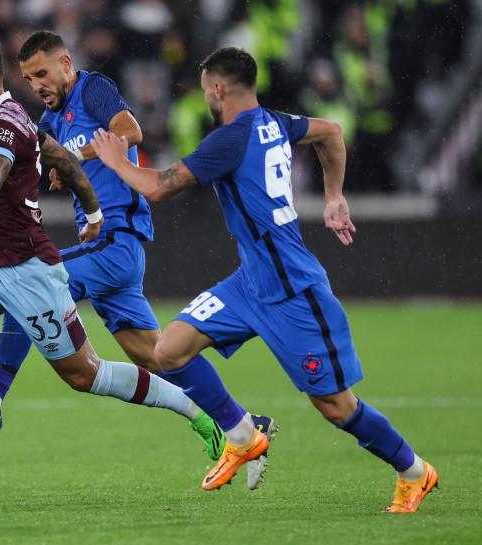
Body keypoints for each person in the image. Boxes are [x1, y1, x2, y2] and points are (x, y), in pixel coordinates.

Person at [90, 47, 436, 513]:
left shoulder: (229, 139)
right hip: (250, 282)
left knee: (337, 408)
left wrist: (114, 160)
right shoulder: (275, 121)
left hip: (293, 290)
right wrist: (334, 196)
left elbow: (156, 186)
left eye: (204, 87)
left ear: (217, 89)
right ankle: (241, 436)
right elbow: (330, 132)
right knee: (169, 350)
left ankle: (415, 472)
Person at [0, 30, 223, 480]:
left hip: (58, 261)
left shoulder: (62, 100)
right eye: (30, 77)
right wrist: (89, 209)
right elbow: (64, 162)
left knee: (86, 374)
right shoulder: (32, 120)